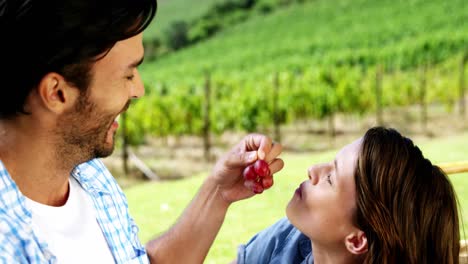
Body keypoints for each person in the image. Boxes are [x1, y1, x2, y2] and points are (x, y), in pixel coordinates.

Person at [0, 0, 284, 263]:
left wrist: (218, 192)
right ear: (57, 93)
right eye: (127, 75)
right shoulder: (6, 243)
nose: (139, 90)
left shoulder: (91, 179)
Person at [235, 127, 461, 264]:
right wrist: (219, 193)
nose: (313, 170)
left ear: (357, 240)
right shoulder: (288, 240)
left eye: (331, 178)